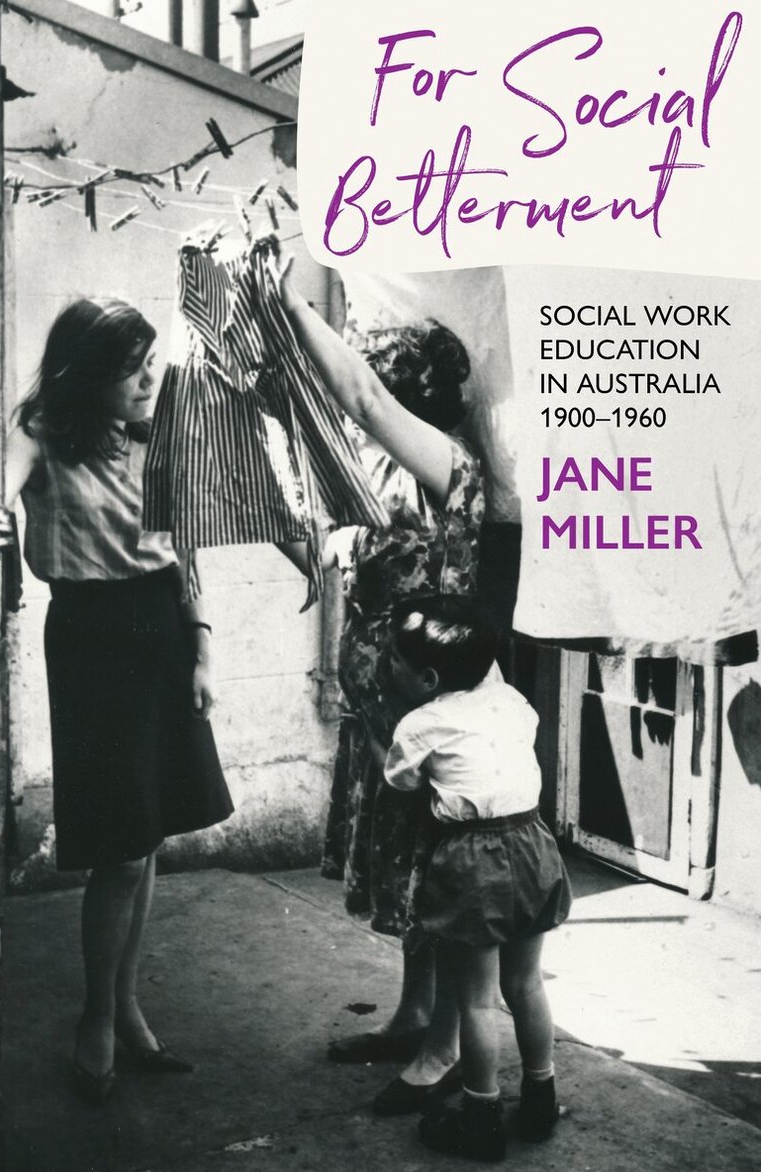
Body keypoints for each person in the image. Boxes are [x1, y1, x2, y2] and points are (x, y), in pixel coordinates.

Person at [0, 298, 234, 1105]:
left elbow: (183, 552)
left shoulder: (155, 439)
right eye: (130, 368)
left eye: (151, 361)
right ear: (87, 373)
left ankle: (125, 1005)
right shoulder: (41, 435)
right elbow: (2, 484)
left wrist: (203, 648)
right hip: (90, 639)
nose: (148, 378)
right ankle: (97, 1015)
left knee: (148, 831)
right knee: (121, 845)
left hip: (161, 630)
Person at [276, 258, 485, 1099]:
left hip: (427, 712)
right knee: (410, 873)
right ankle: (414, 1014)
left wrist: (291, 304)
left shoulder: (449, 464)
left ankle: (446, 1048)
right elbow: (325, 553)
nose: (359, 412)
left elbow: (359, 397)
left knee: (438, 874)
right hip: (384, 716)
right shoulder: (387, 475)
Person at [382, 595, 572, 1161]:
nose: (388, 665)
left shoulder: (420, 723)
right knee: (527, 985)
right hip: (533, 843)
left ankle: (481, 1119)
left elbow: (401, 781)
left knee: (478, 1001)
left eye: (395, 659)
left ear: (429, 678)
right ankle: (540, 1099)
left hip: (472, 859)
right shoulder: (513, 702)